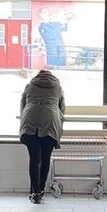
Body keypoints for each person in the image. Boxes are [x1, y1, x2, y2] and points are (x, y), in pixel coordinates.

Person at [19, 68, 65, 203]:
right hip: (50, 122)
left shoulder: (30, 85)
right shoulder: (57, 87)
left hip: (30, 120)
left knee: (35, 159)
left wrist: (24, 119)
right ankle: (41, 190)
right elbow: (62, 108)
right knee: (45, 159)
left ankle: (35, 192)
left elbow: (23, 104)